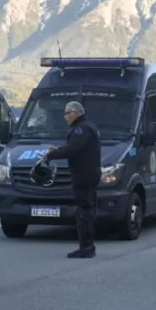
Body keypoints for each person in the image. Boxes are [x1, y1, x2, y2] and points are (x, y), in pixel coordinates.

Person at [42, 100, 102, 258]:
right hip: (88, 174)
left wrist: (51, 155)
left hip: (84, 176)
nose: (65, 117)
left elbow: (72, 150)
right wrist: (58, 150)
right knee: (87, 209)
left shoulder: (82, 129)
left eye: (68, 113)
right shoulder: (87, 127)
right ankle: (87, 246)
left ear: (76, 113)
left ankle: (86, 247)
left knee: (83, 211)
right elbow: (75, 148)